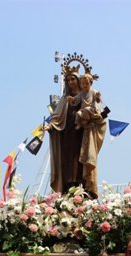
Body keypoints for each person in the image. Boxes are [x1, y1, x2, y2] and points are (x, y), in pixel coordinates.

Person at [46, 70, 106, 199]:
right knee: (68, 161)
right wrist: (51, 126)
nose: (71, 82)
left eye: (73, 79)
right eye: (68, 80)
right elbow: (56, 117)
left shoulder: (88, 94)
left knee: (80, 160)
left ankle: (82, 188)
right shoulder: (66, 99)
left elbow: (101, 112)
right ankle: (68, 189)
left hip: (82, 135)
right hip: (67, 135)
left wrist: (95, 118)